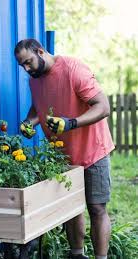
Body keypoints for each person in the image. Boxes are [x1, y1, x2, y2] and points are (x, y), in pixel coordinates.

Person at [14, 39, 115, 259]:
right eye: (22, 66)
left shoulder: (73, 69)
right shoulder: (35, 80)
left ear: (40, 51)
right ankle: (77, 255)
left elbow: (103, 106)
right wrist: (29, 122)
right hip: (63, 156)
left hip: (92, 151)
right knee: (71, 209)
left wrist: (71, 123)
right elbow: (37, 106)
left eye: (29, 62)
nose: (27, 69)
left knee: (97, 209)